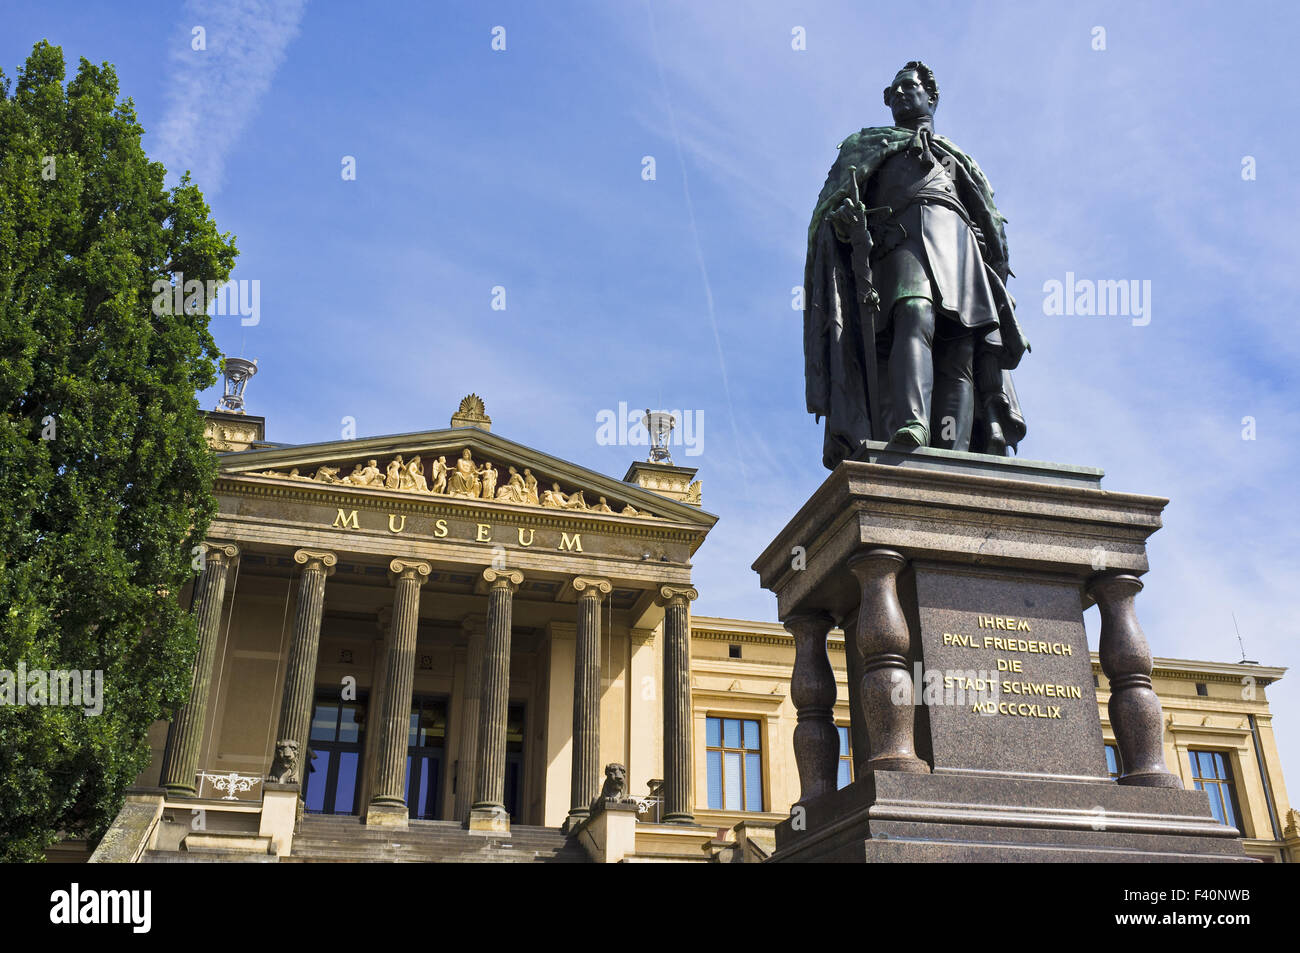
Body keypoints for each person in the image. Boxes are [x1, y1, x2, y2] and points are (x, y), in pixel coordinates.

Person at [805, 61, 1028, 467]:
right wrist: (844, 224)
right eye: (894, 91)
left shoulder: (956, 156)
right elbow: (834, 213)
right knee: (914, 314)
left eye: (909, 87)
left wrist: (984, 245)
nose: (902, 95)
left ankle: (953, 450)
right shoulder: (866, 146)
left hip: (958, 249)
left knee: (959, 347)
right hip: (902, 245)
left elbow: (988, 220)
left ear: (931, 97)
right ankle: (913, 424)